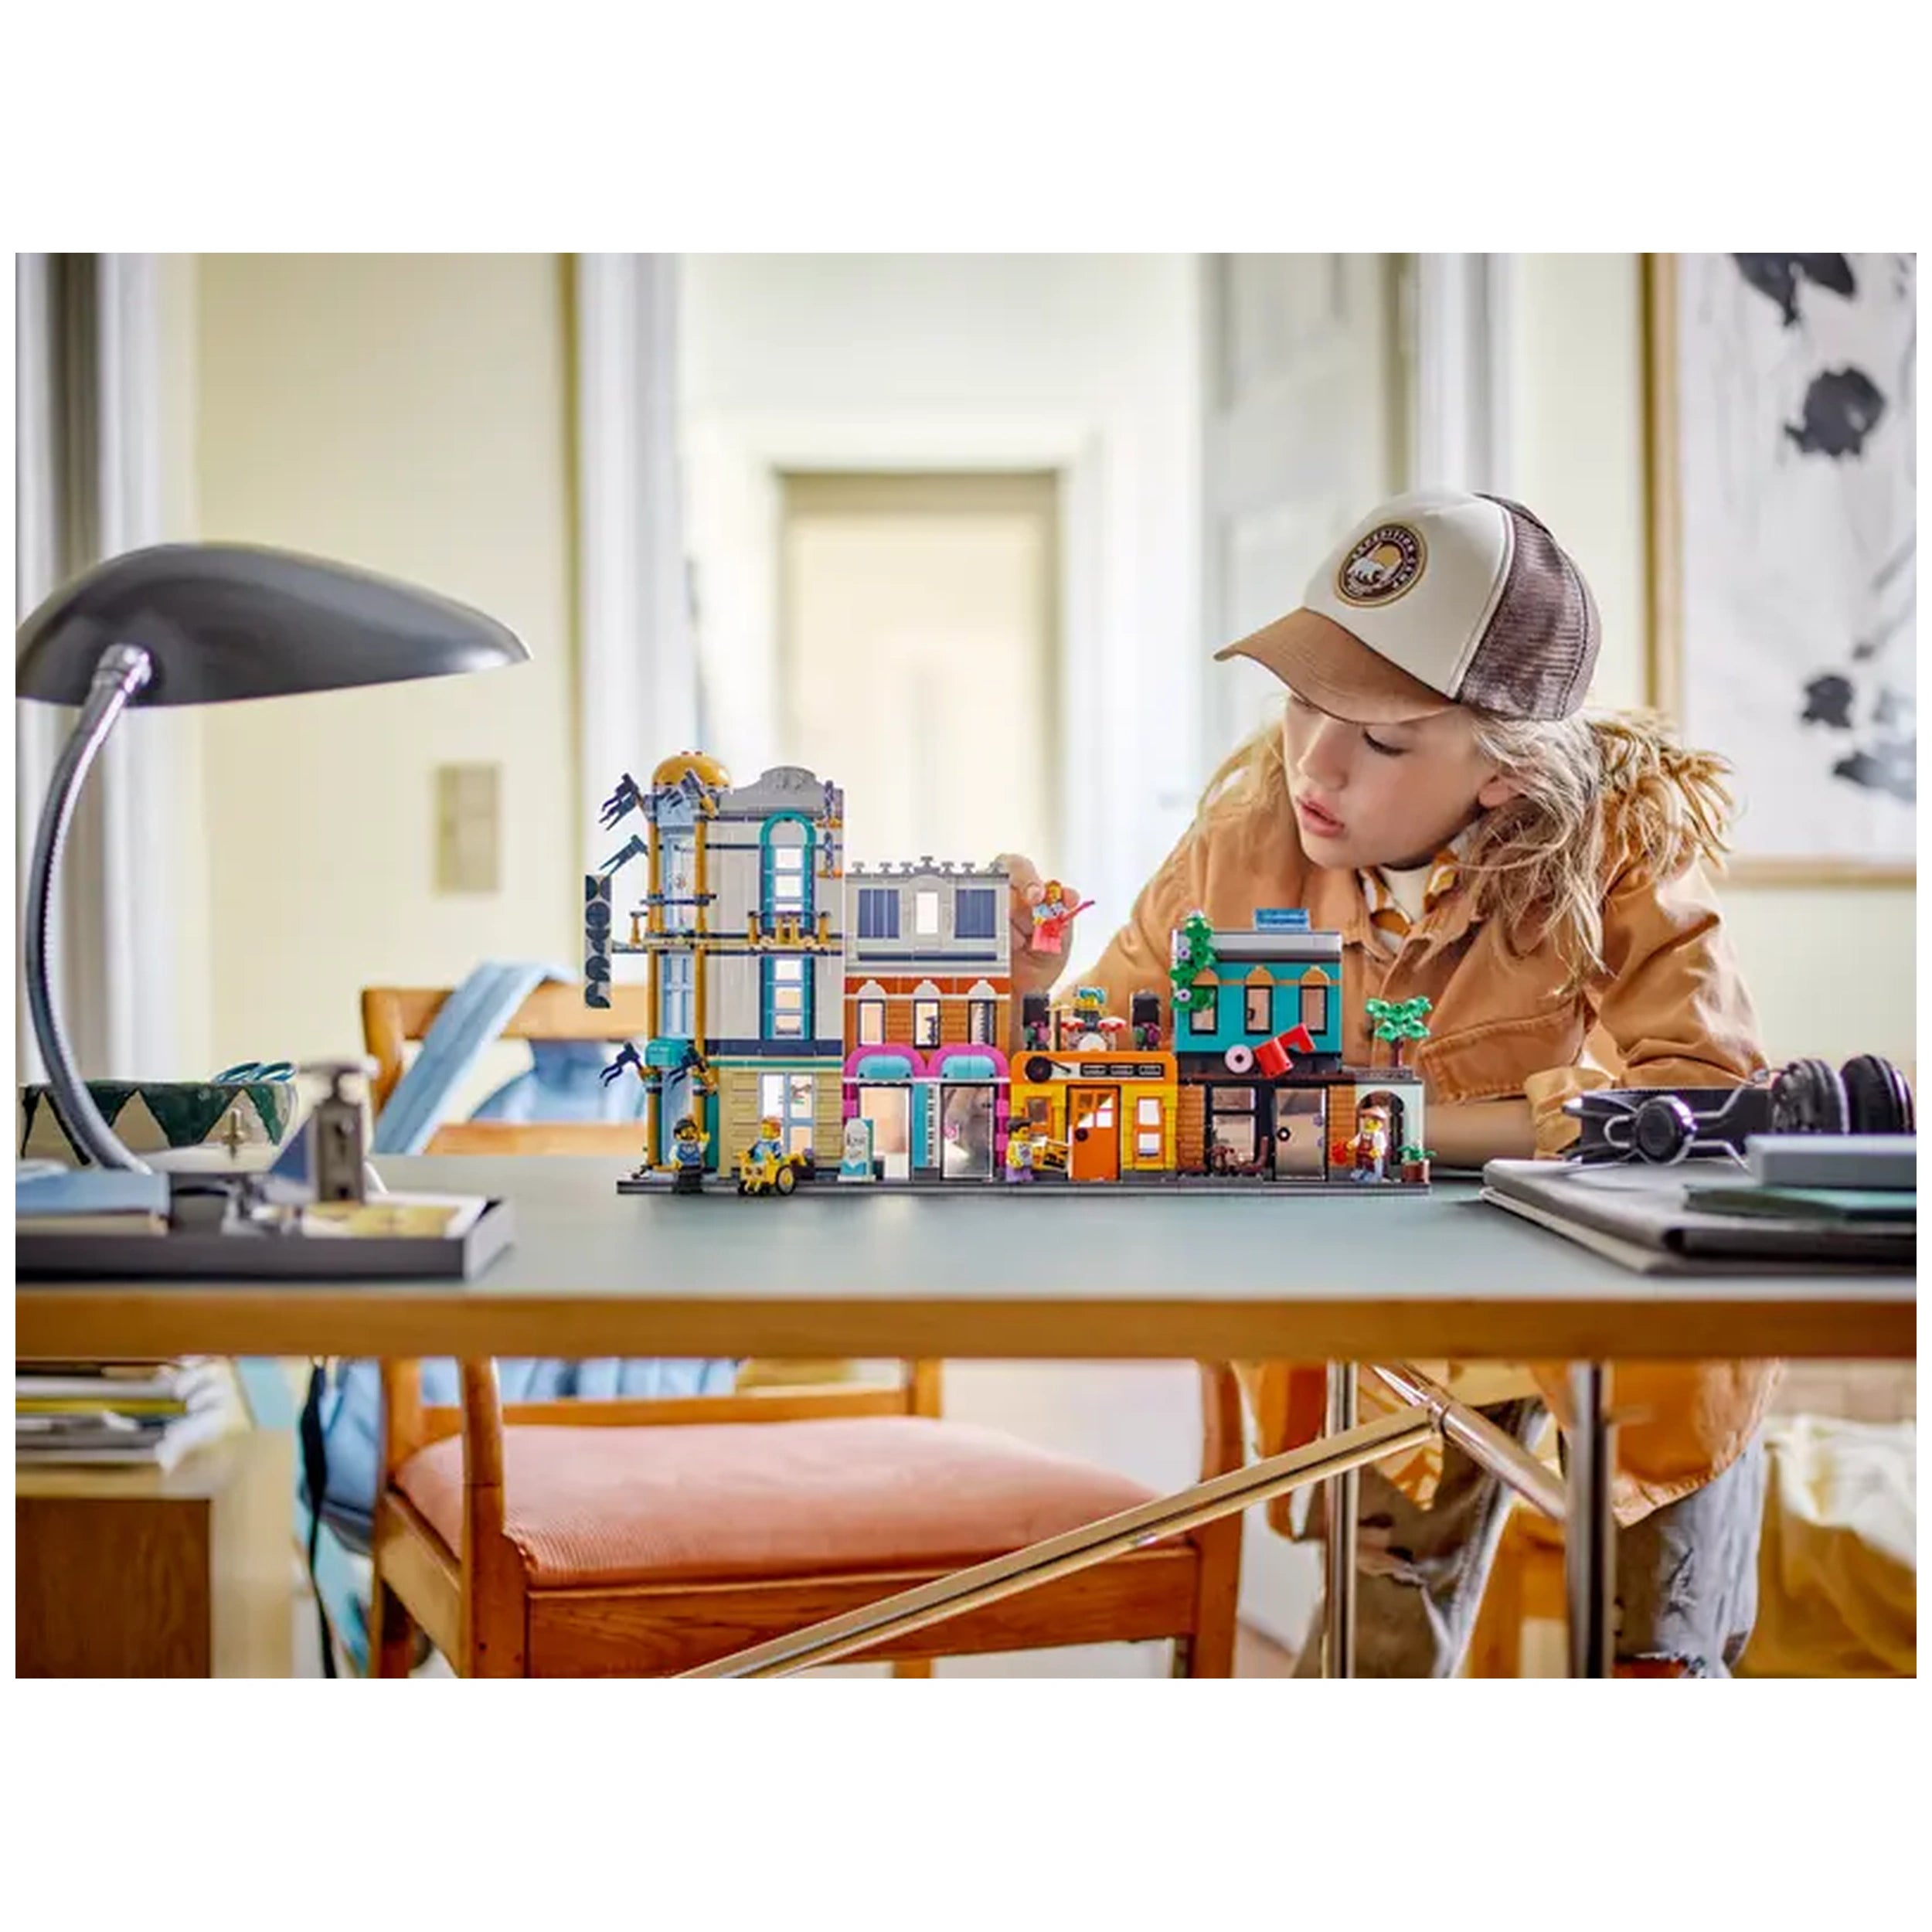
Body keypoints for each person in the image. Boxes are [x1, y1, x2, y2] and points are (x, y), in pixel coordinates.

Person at [999, 487, 1773, 1677]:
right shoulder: (1245, 841)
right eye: (1307, 699)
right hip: (1413, 1334)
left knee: (1657, 1669)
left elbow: (1701, 1106)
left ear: (1504, 775)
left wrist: (1378, 1129)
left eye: (1384, 738)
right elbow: (1090, 1077)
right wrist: (1020, 997)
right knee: (1367, 1664)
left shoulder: (1620, 844)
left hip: (1636, 1323)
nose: (1314, 761)